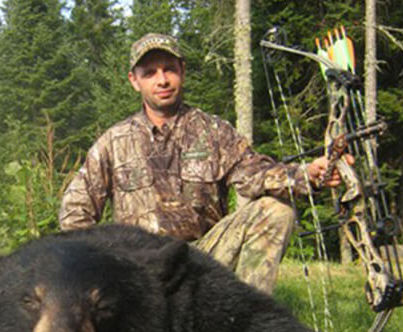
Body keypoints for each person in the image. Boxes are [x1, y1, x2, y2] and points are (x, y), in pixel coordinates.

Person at [59, 33, 349, 294]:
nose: (162, 80)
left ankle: (245, 323)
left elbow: (255, 173)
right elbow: (75, 212)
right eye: (150, 73)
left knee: (276, 212)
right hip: (138, 271)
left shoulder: (214, 132)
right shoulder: (113, 141)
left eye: (169, 69)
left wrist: (307, 174)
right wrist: (105, 263)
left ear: (182, 72)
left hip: (203, 261)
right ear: (134, 80)